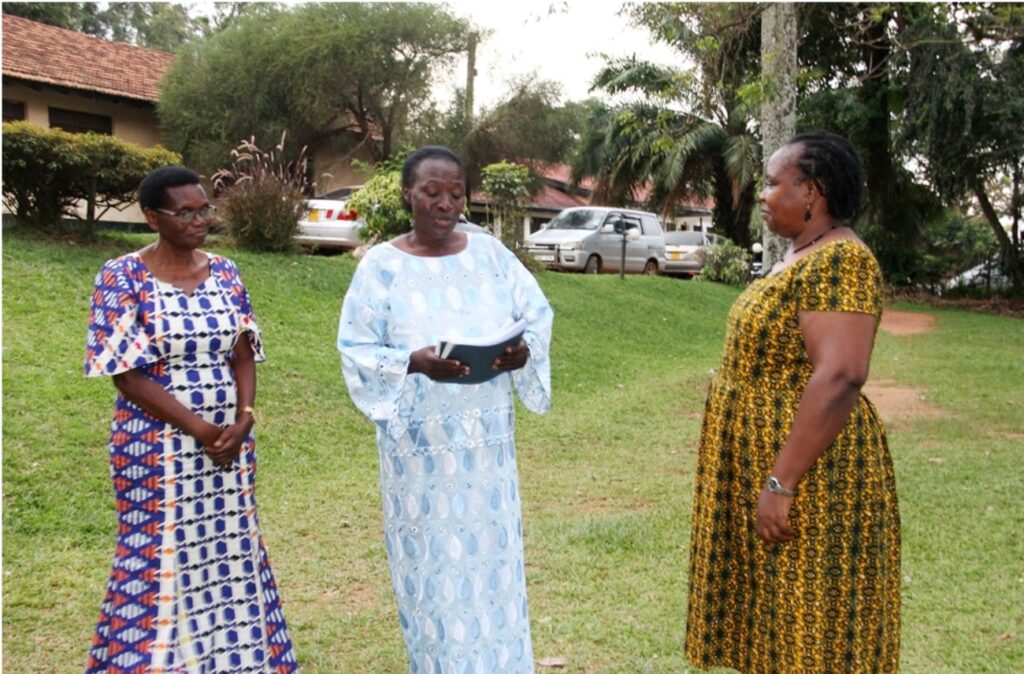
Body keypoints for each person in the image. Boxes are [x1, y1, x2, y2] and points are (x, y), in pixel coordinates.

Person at [685, 132, 900, 672]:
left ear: (813, 191)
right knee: (776, 623)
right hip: (771, 459)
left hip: (811, 474)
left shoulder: (842, 262)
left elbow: (841, 375)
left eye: (774, 182)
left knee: (811, 631)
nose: (762, 193)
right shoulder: (802, 255)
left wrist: (782, 482)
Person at [337, 146, 553, 673]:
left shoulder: (491, 254)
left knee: (492, 572)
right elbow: (356, 348)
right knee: (434, 576)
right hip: (421, 460)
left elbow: (535, 314)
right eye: (432, 192)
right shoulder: (381, 267)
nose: (445, 203)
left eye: (456, 193)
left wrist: (520, 353)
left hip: (487, 453)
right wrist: (412, 363)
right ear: (408, 194)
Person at [84, 167, 299, 673]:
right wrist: (201, 429)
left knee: (230, 543)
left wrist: (244, 419)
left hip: (229, 444)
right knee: (157, 548)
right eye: (185, 212)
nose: (199, 219)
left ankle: (236, 661)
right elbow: (127, 375)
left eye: (204, 208)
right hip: (155, 447)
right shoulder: (122, 275)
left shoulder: (225, 271)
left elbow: (243, 349)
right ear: (152, 216)